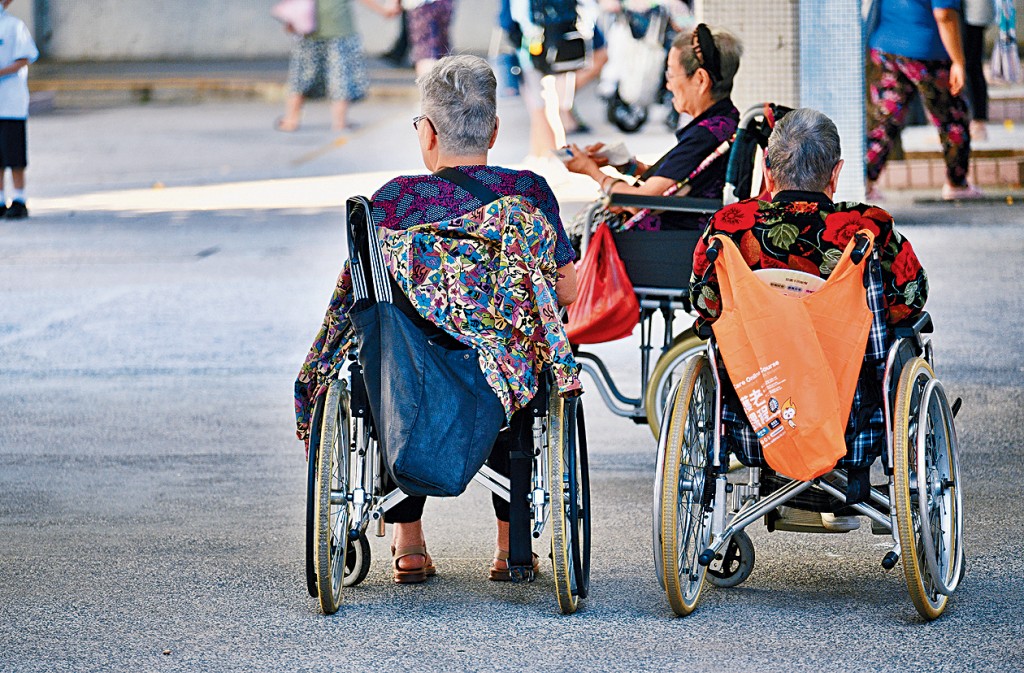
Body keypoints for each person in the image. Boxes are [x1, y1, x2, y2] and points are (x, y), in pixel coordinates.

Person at [295, 55, 580, 583]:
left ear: (426, 133)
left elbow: (358, 301)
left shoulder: (390, 202)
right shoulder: (529, 194)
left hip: (406, 375)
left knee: (390, 361)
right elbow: (566, 289)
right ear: (494, 130)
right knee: (506, 354)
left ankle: (408, 543)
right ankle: (510, 546)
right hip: (498, 380)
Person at [690, 107, 930, 513]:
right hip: (854, 419)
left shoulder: (730, 227)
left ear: (768, 171)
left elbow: (704, 302)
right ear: (835, 173)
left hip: (757, 415)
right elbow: (911, 298)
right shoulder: (868, 228)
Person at [563, 24, 741, 230]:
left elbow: (639, 202)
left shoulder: (706, 135)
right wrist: (628, 166)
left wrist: (592, 171)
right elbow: (677, 183)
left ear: (700, 80)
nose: (668, 85)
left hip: (667, 244)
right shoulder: (725, 120)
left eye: (671, 75)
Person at [865, 0, 982, 200]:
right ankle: (957, 183)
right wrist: (959, 61)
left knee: (884, 118)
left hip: (885, 45)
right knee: (953, 117)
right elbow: (944, 14)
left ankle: (864, 181)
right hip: (928, 48)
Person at [276, 0, 399, 132]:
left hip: (308, 27)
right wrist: (382, 10)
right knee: (341, 75)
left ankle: (291, 119)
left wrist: (290, 19)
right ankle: (339, 122)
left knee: (301, 75)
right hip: (338, 27)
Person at [0, 0, 38, 220]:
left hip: (11, 103)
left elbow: (24, 59)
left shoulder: (14, 26)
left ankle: (20, 198)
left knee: (14, 154)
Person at [962, 0, 996, 141]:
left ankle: (977, 121)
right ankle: (973, 121)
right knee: (969, 65)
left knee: (970, 65)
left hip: (971, 13)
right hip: (960, 11)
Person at [405, 0, 456, 76]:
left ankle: (431, 86)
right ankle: (444, 85)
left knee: (426, 54)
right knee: (441, 53)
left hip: (422, 5)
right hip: (444, 4)